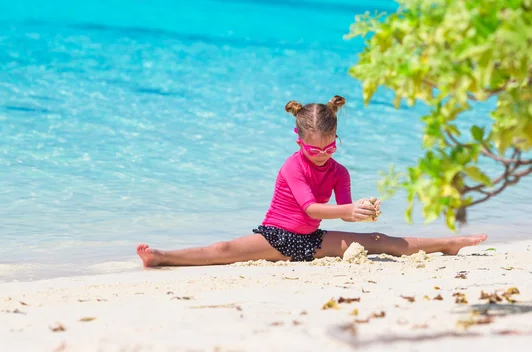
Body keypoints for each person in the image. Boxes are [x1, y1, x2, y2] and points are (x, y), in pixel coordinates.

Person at [137, 96, 487, 268]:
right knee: (224, 251)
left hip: (312, 240)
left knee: (380, 241)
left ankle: (450, 243)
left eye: (329, 146)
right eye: (313, 148)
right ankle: (162, 256)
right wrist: (346, 209)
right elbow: (311, 208)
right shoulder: (292, 167)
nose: (321, 154)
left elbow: (344, 213)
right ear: (298, 140)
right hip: (276, 237)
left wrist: (362, 212)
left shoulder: (339, 172)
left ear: (336, 139)